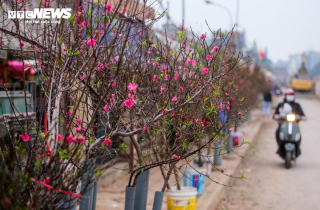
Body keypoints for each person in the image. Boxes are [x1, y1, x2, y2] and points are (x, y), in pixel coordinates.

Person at [273, 88, 306, 153]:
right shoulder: (281, 105)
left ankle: (297, 148)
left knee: (298, 134)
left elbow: (302, 114)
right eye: (288, 94)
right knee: (277, 132)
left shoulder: (297, 105)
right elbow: (276, 114)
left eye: (291, 94)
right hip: (283, 124)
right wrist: (276, 116)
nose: (290, 96)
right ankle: (280, 147)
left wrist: (303, 117)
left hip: (294, 125)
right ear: (285, 95)